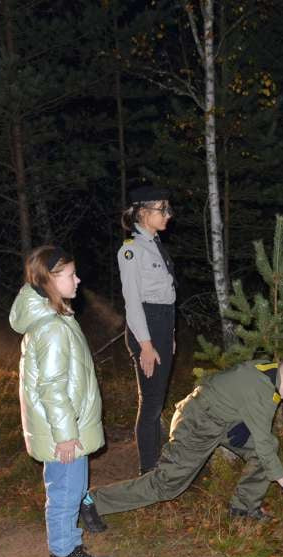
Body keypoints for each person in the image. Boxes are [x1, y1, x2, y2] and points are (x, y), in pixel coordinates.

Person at [78, 354, 283, 531]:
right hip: (197, 424)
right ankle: (91, 501)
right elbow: (263, 441)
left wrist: (241, 421)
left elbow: (231, 389)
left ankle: (243, 508)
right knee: (166, 485)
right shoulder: (264, 392)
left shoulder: (269, 369)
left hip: (218, 422)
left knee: (264, 448)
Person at [10, 246, 115, 557]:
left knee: (72, 491)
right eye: (71, 274)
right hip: (64, 434)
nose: (78, 280)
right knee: (64, 498)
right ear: (50, 281)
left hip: (68, 427)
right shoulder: (51, 328)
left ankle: (73, 551)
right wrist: (66, 435)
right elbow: (52, 388)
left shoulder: (57, 319)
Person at [119, 185, 178, 474]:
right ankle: (148, 471)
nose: (168, 214)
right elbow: (132, 302)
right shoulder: (131, 250)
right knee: (151, 402)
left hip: (161, 326)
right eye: (162, 209)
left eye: (168, 208)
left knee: (157, 400)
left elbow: (166, 294)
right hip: (147, 328)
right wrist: (145, 344)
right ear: (143, 212)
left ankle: (155, 462)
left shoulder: (154, 244)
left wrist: (171, 334)